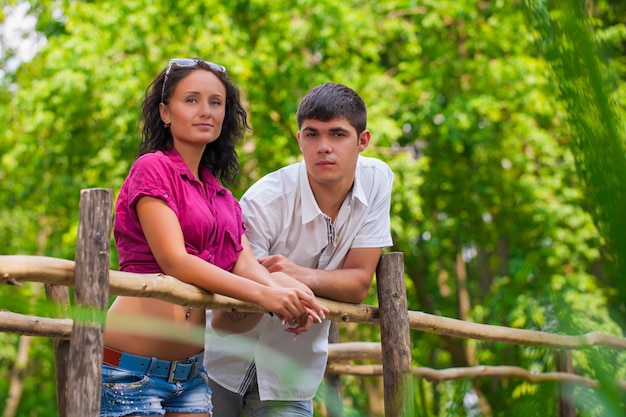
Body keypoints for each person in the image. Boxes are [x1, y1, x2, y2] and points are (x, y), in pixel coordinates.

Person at [101, 58, 328, 417]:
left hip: (190, 376)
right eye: (191, 100)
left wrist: (287, 300)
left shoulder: (222, 197)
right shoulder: (153, 169)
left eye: (216, 102)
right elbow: (174, 261)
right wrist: (268, 294)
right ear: (165, 112)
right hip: (128, 370)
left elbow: (246, 264)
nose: (205, 111)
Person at [205, 82, 394, 416]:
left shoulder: (377, 180)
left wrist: (292, 276)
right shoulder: (265, 200)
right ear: (299, 140)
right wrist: (288, 295)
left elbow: (358, 285)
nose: (323, 147)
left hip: (291, 374)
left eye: (337, 134)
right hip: (219, 366)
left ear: (363, 141)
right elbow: (227, 317)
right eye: (312, 135)